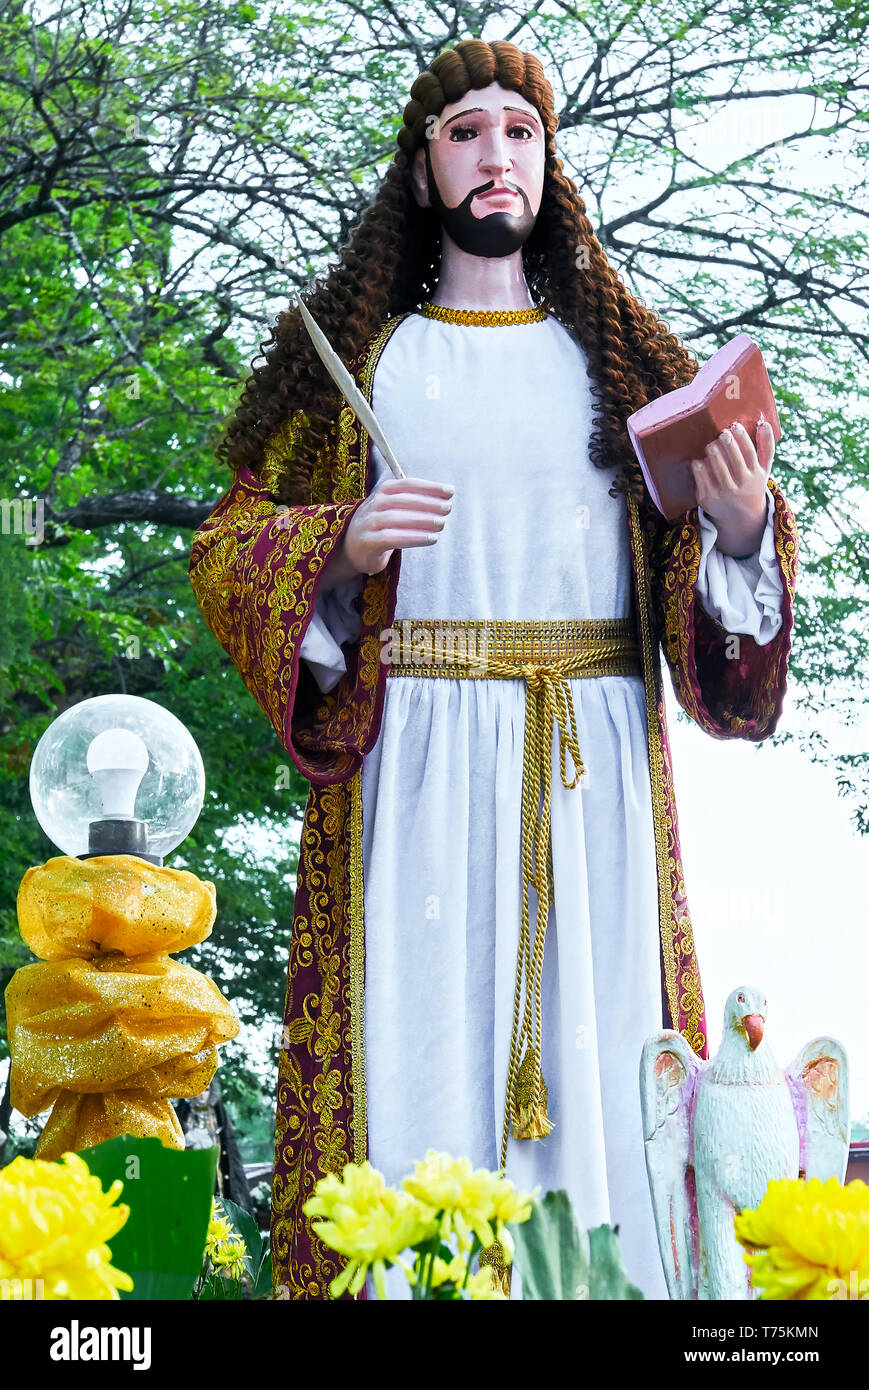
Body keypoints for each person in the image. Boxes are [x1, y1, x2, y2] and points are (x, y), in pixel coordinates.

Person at [189, 38, 797, 1300]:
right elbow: (230, 544)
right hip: (414, 766)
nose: (495, 155)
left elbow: (702, 587)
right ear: (424, 169)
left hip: (591, 773)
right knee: (421, 1039)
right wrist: (338, 554)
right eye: (466, 132)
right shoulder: (358, 363)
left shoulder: (622, 368)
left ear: (548, 166)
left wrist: (740, 532)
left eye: (517, 134)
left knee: (607, 1041)